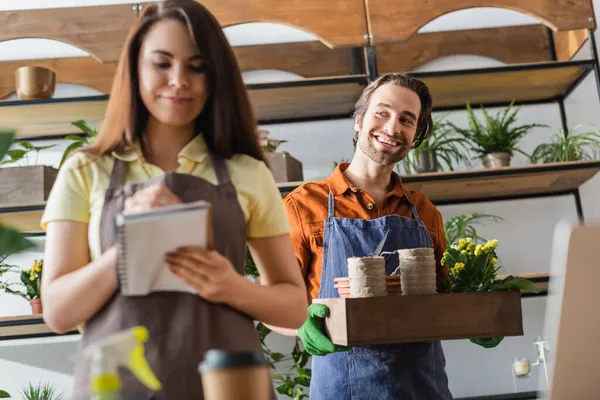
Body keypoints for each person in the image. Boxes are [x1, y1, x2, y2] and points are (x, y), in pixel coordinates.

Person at [40, 1, 307, 398]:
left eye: (196, 66)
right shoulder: (85, 170)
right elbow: (58, 312)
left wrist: (231, 286)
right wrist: (129, 244)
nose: (179, 80)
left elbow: (294, 307)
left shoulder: (248, 173)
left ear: (215, 76)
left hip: (228, 387)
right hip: (118, 388)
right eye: (162, 63)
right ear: (135, 69)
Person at [278, 73, 453, 399]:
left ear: (415, 135)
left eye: (407, 119)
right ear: (359, 120)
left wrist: (480, 317)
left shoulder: (425, 213)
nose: (392, 127)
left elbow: (444, 301)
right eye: (382, 112)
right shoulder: (304, 206)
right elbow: (272, 304)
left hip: (423, 391)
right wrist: (302, 326)